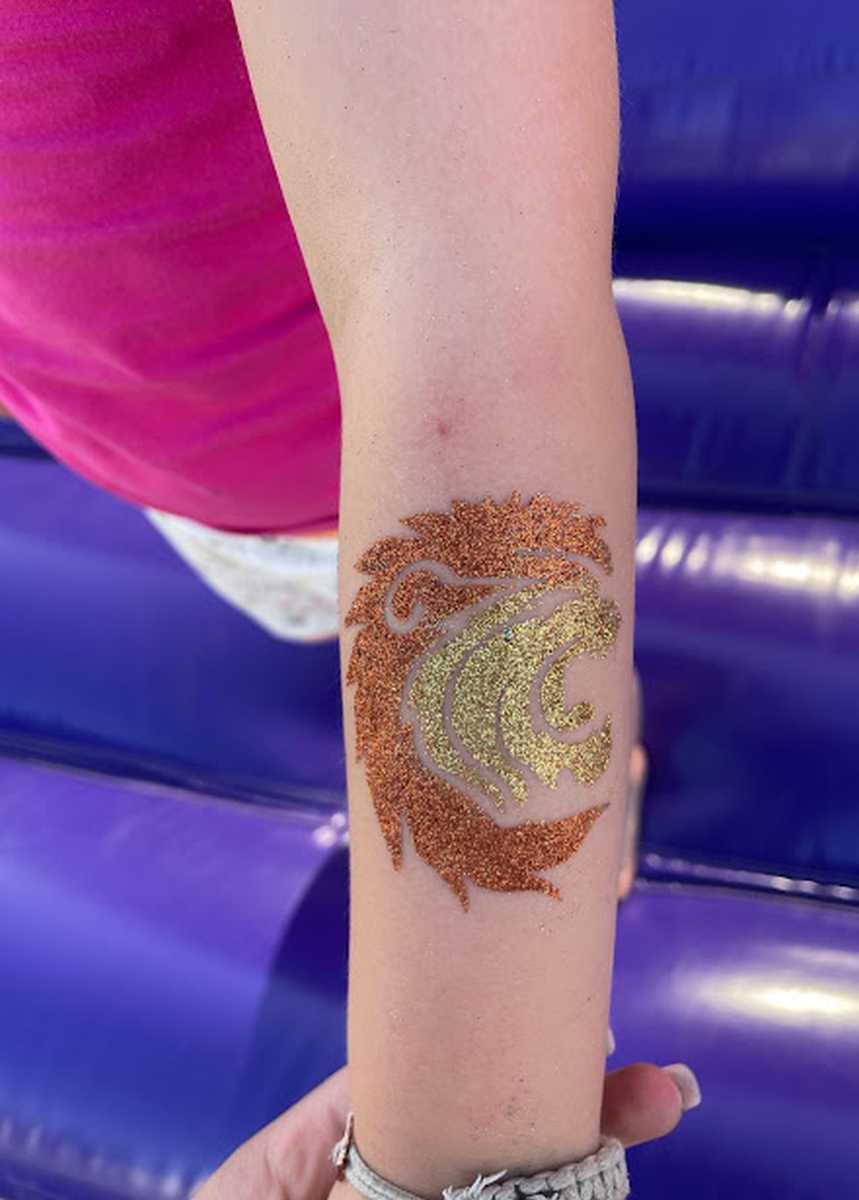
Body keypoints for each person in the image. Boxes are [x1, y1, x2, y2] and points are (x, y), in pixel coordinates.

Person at [0, 4, 699, 1198]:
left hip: (374, 439)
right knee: (357, 621)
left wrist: (455, 1172)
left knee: (521, 668)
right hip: (168, 466)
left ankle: (592, 731)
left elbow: (480, 337)